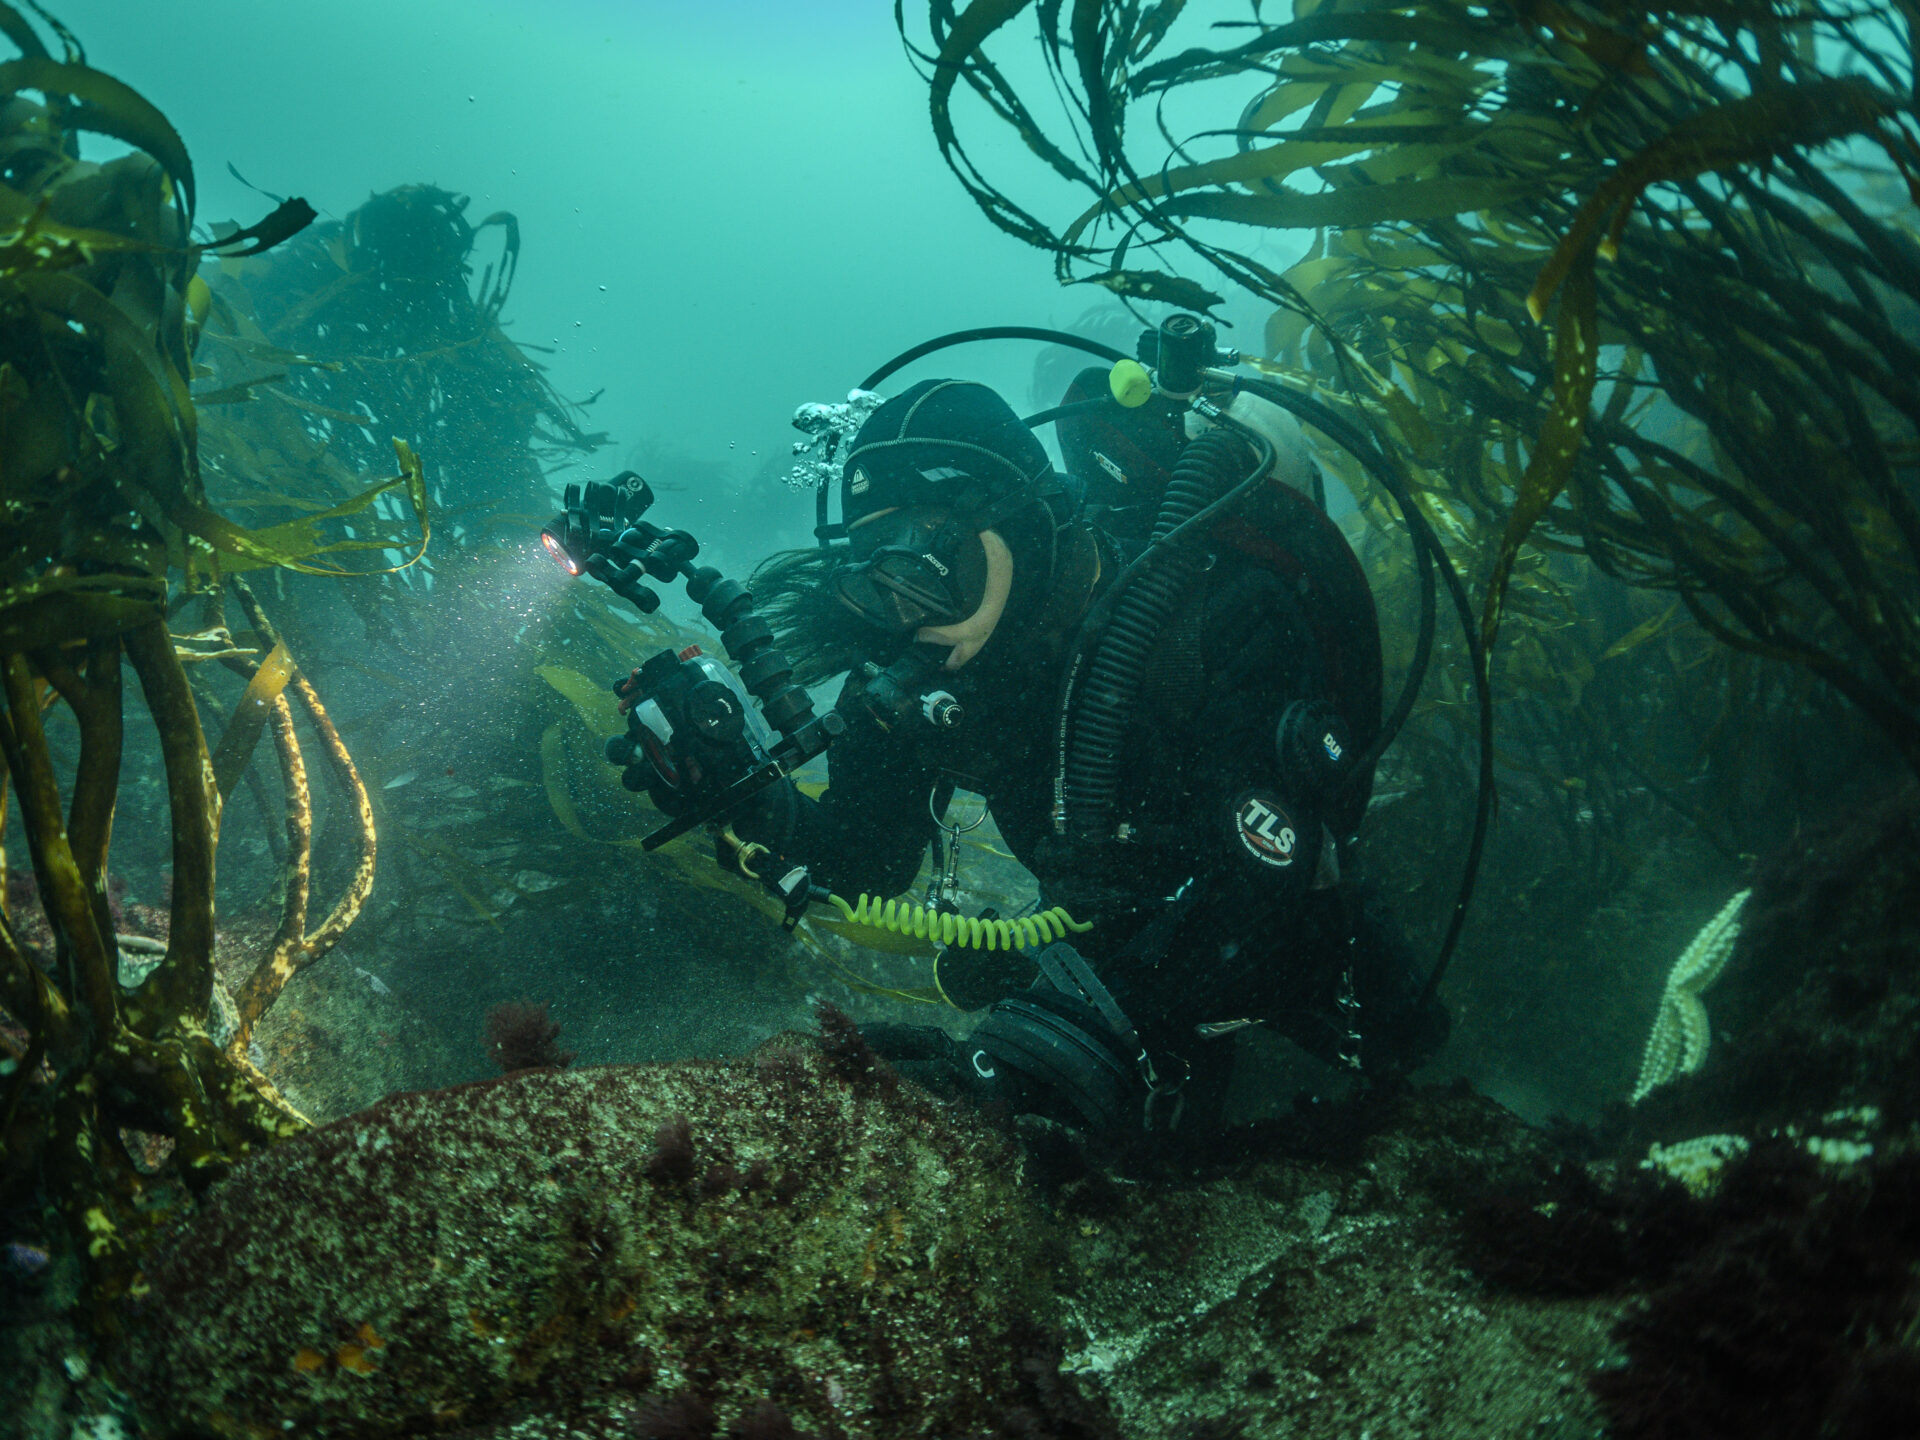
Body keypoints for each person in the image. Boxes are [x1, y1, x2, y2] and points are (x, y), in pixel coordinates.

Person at [716, 375, 1446, 1138]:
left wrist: (1049, 1035)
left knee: (1396, 1068)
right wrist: (731, 785)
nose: (906, 612)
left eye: (931, 564)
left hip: (1276, 948)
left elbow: (1262, 903)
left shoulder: (1217, 615)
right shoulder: (925, 670)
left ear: (1019, 521)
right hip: (1109, 949)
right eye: (876, 575)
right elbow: (864, 858)